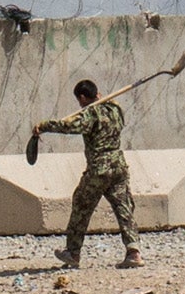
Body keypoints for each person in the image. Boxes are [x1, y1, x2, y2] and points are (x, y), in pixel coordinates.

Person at [33, 78, 139, 270]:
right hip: (119, 166)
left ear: (82, 97)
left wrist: (44, 126)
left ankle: (73, 253)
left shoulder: (91, 113)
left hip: (99, 168)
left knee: (81, 205)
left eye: (79, 100)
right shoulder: (115, 109)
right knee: (124, 208)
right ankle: (133, 251)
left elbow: (70, 126)